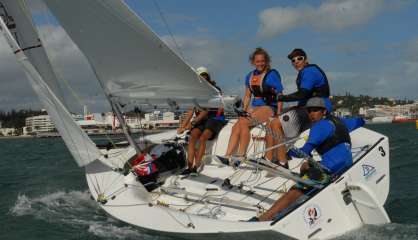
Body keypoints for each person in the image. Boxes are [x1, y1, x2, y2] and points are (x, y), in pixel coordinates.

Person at [252, 97, 365, 221]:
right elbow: (360, 121)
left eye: (316, 110)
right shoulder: (342, 121)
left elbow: (305, 151)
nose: (312, 114)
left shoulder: (319, 127)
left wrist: (288, 152)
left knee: (295, 190)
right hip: (346, 166)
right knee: (305, 166)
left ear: (324, 111)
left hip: (330, 171)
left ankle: (264, 218)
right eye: (309, 111)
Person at [266, 48, 333, 167]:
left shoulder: (309, 71)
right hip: (307, 108)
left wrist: (281, 98)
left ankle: (282, 162)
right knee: (270, 120)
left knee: (276, 123)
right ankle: (268, 158)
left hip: (317, 110)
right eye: (293, 60)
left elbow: (303, 94)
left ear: (306, 59)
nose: (296, 61)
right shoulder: (304, 73)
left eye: (299, 58)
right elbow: (304, 97)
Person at [219, 48, 284, 162]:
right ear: (253, 62)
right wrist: (243, 111)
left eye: (262, 61)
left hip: (269, 107)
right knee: (237, 125)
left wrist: (278, 113)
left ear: (266, 61)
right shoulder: (249, 76)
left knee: (244, 122)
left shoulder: (272, 75)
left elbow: (280, 95)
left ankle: (241, 155)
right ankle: (227, 155)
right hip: (255, 106)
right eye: (258, 61)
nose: (260, 63)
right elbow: (248, 96)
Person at [178, 67, 226, 176]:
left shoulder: (214, 89)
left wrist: (193, 123)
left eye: (205, 76)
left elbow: (206, 110)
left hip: (214, 118)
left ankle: (196, 167)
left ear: (207, 77)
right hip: (203, 120)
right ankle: (189, 167)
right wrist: (182, 126)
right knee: (192, 138)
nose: (203, 79)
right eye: (200, 77)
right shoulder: (195, 92)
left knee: (203, 138)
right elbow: (191, 110)